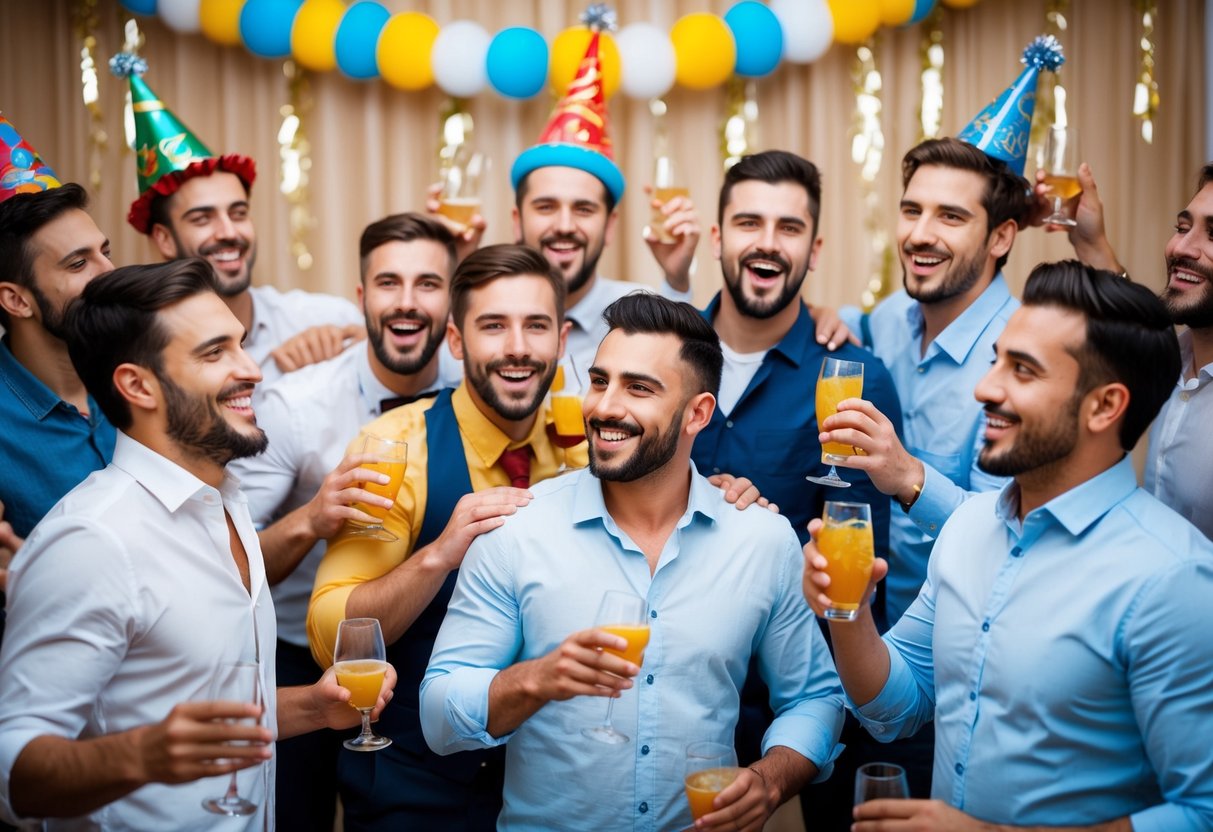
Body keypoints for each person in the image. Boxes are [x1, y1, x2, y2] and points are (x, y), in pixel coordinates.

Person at [805, 260, 1213, 829]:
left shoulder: (1175, 579)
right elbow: (894, 707)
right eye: (996, 359)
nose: (985, 387)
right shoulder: (968, 528)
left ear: (1104, 406)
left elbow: (1201, 811)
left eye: (1022, 370)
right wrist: (846, 609)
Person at [421, 293, 846, 831]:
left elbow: (816, 699)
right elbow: (437, 718)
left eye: (638, 388)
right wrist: (537, 679)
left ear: (698, 413)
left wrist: (771, 780)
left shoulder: (761, 541)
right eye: (600, 381)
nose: (605, 407)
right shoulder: (517, 532)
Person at [0, 259, 394, 830]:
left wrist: (314, 706)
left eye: (241, 345)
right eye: (215, 353)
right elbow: (13, 772)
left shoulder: (227, 502)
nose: (252, 370)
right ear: (138, 385)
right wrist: (140, 754)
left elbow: (209, 714)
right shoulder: (91, 541)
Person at [307, 243, 574, 830]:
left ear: (562, 338)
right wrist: (437, 556)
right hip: (415, 784)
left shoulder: (585, 442)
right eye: (493, 326)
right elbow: (331, 638)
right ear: (456, 341)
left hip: (555, 783)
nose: (518, 347)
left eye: (536, 326)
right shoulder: (394, 448)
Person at [226, 212, 462, 831]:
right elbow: (227, 564)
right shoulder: (296, 405)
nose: (406, 302)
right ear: (361, 296)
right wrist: (311, 519)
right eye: (388, 283)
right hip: (298, 659)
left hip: (423, 657)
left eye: (428, 284)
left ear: (452, 302)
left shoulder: (477, 391)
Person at [112, 55, 363, 388]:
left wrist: (358, 348)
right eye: (202, 218)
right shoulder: (140, 351)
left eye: (238, 213)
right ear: (164, 239)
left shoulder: (322, 318)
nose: (229, 232)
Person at [1036, 162, 1213, 541]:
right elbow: (1135, 324)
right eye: (1182, 228)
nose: (1181, 248)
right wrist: (1091, 244)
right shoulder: (1171, 359)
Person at [0, 117, 116, 540]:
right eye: (78, 263)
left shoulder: (145, 370)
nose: (109, 273)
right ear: (16, 300)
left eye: (105, 252)